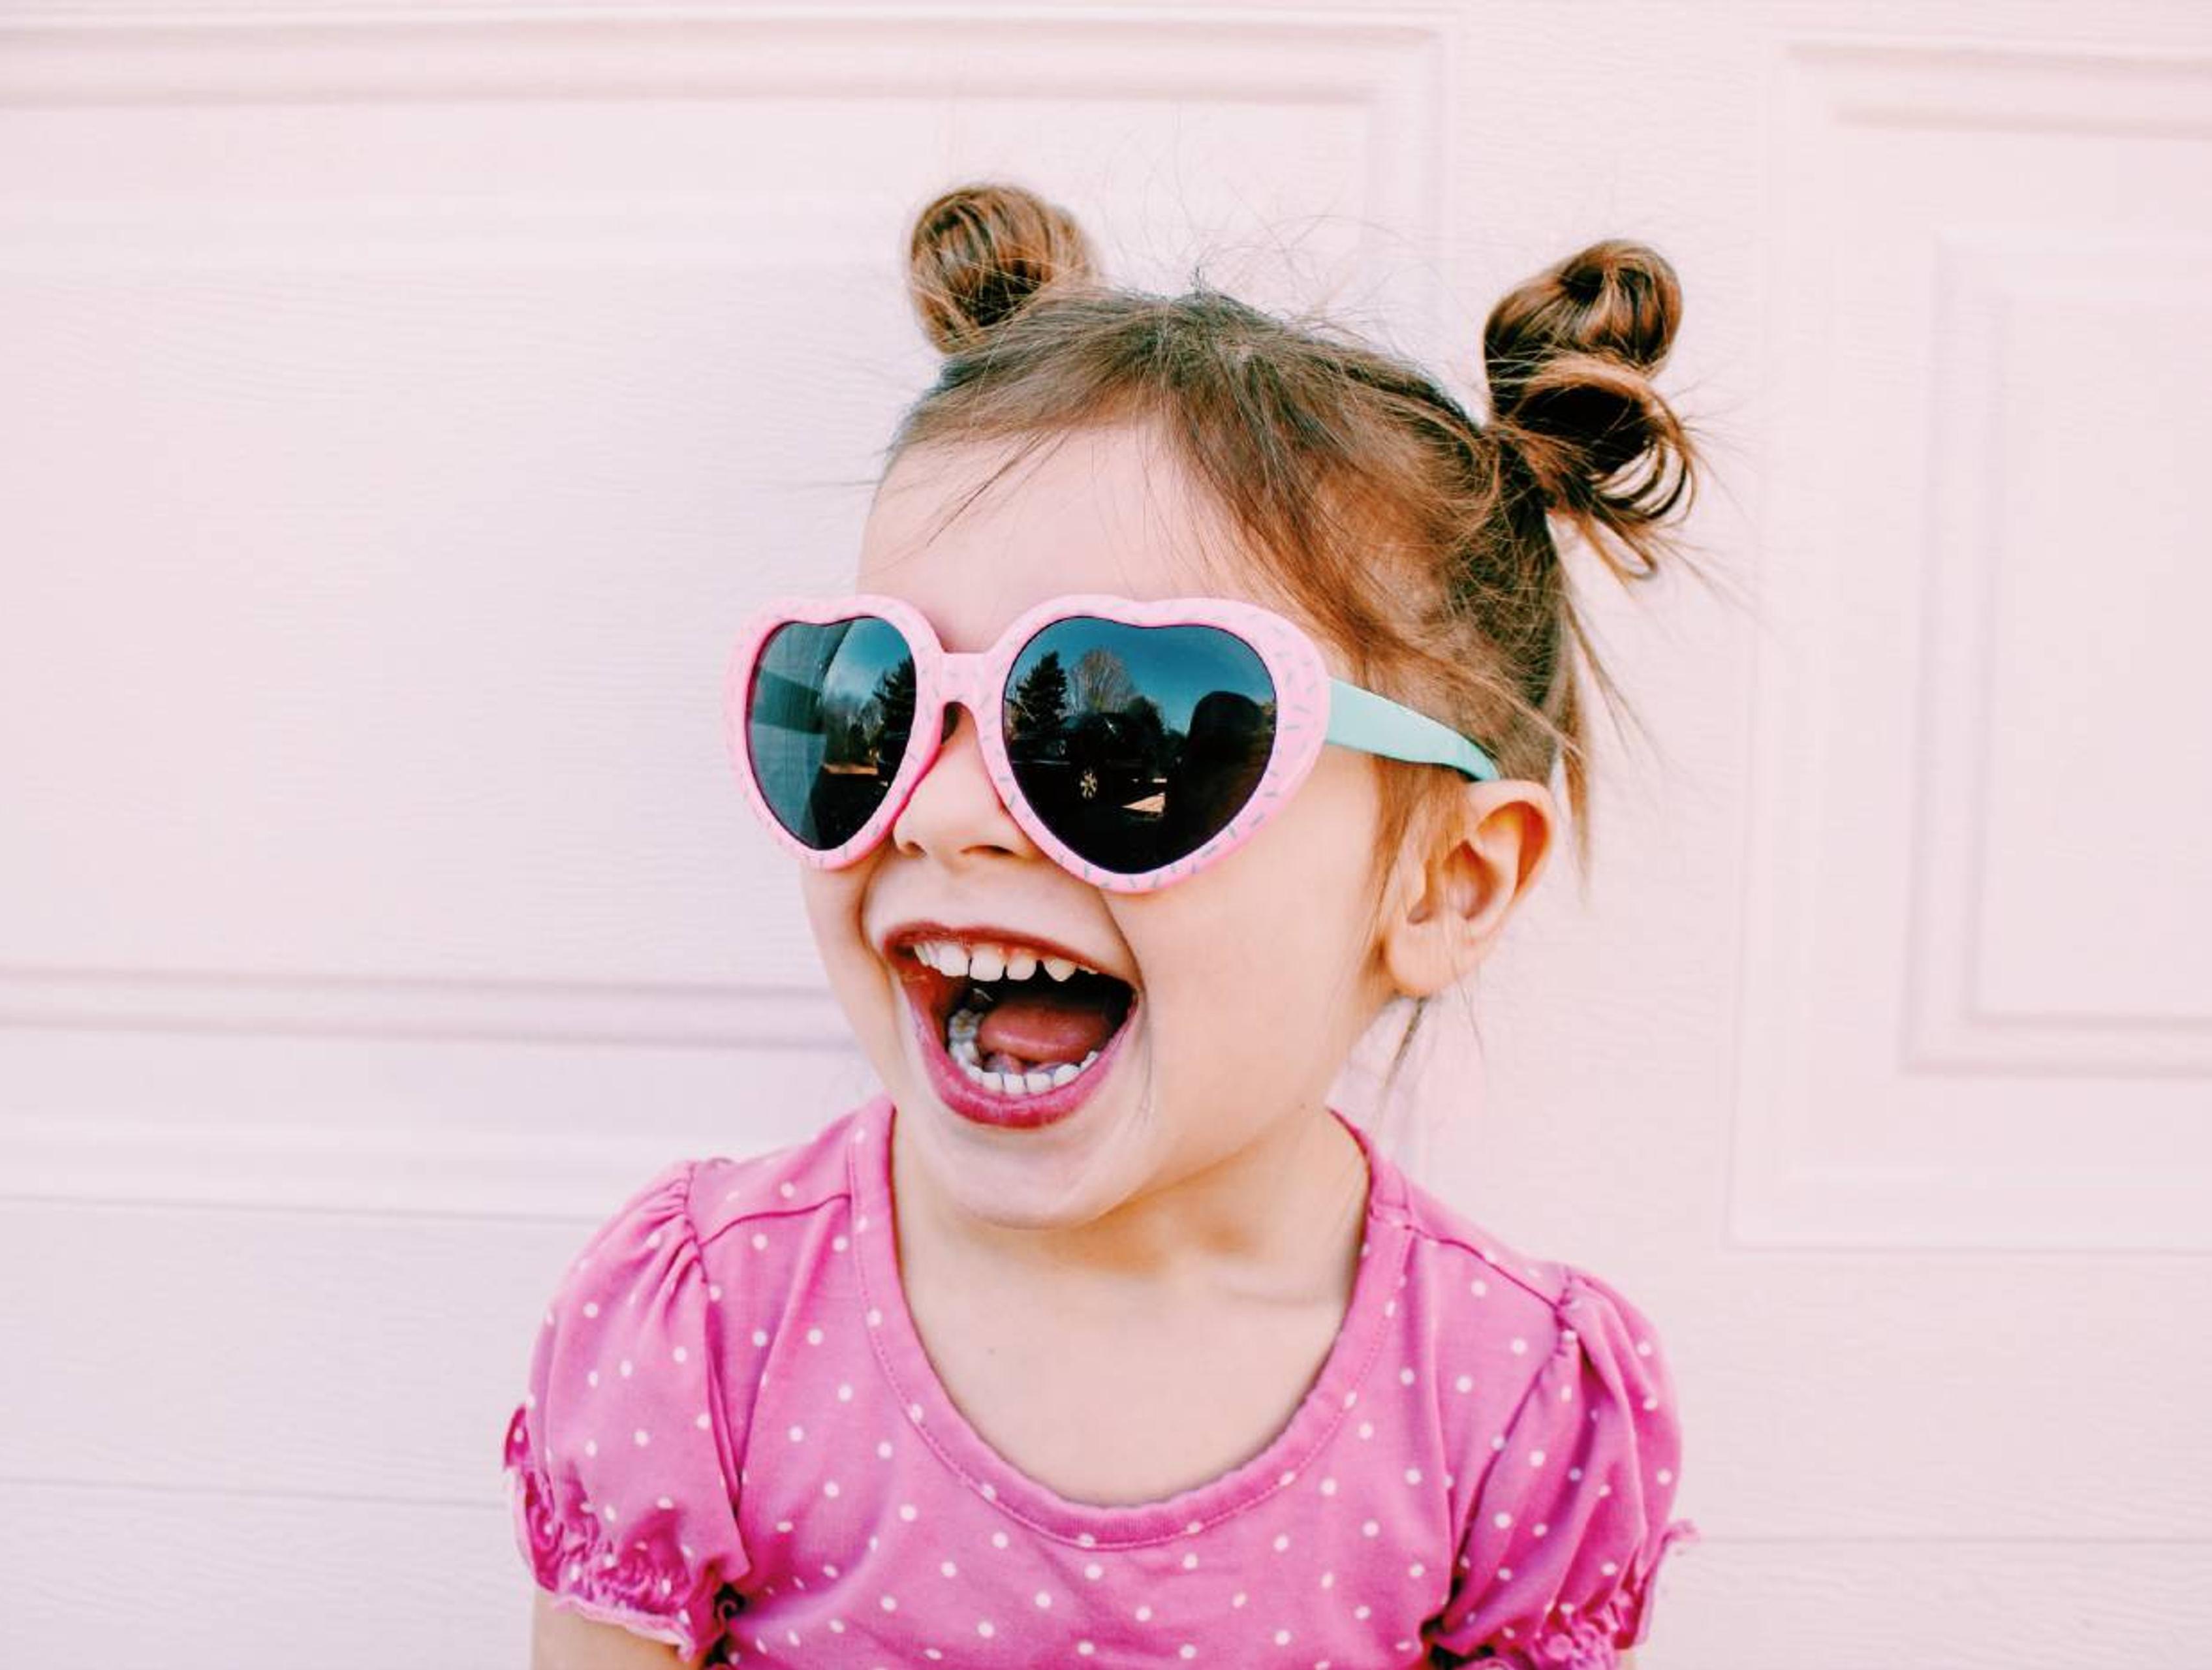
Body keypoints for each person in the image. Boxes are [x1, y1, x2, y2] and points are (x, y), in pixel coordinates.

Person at [504, 181, 1707, 1668]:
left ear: (1446, 882)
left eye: (1115, 738)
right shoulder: (707, 1329)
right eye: (874, 705)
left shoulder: (1506, 1402)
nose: (941, 814)